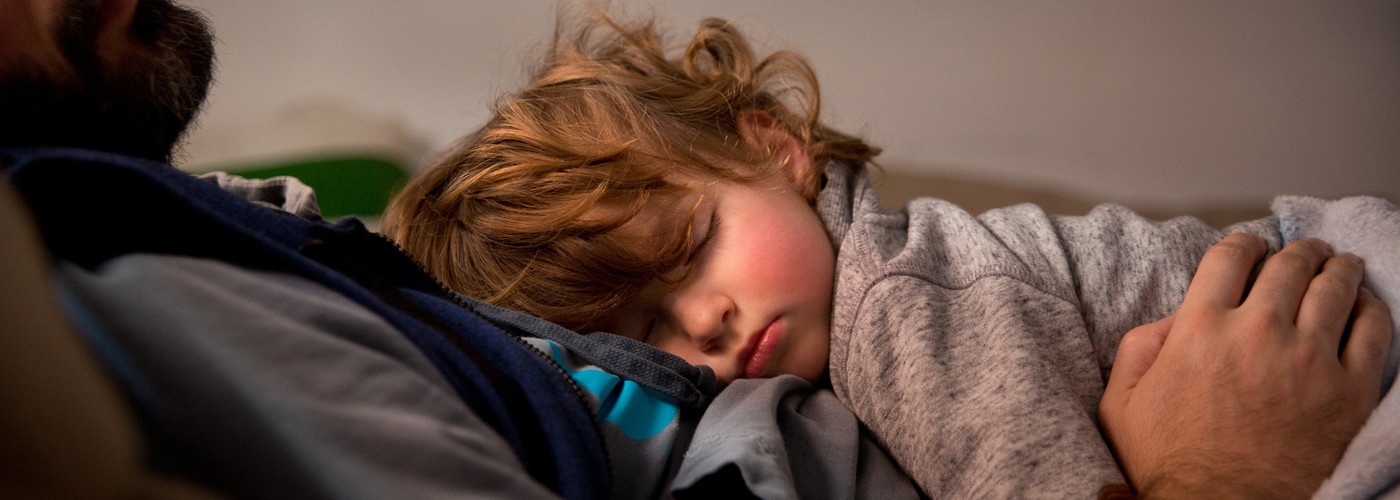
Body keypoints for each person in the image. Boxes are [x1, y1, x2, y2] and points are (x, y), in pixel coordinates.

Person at [382, 11, 1398, 498]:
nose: (705, 322)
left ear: (773, 149)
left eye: (693, 248)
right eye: (643, 330)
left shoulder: (899, 309)